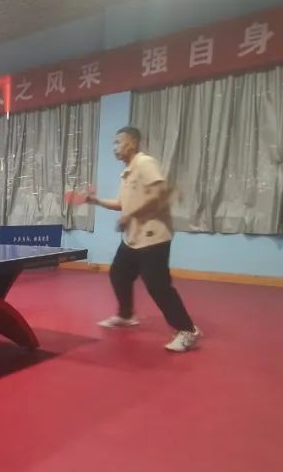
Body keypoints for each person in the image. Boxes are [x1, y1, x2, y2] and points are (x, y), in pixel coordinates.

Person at [85, 126, 201, 353]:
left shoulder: (145, 163)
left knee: (158, 286)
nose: (114, 147)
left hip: (153, 237)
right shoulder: (127, 172)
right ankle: (126, 315)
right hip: (133, 238)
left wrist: (130, 216)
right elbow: (122, 204)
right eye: (113, 143)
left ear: (133, 143)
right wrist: (96, 201)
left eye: (118, 142)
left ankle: (187, 330)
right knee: (119, 273)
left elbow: (159, 195)